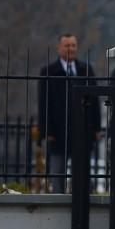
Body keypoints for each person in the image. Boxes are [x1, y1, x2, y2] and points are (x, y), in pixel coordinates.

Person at [37, 33, 102, 193]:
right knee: (57, 173)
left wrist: (96, 128)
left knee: (82, 174)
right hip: (57, 133)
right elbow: (43, 103)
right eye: (67, 45)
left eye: (73, 45)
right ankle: (57, 204)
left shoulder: (86, 69)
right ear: (59, 48)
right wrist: (47, 131)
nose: (70, 49)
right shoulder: (49, 71)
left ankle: (80, 203)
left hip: (82, 130)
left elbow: (95, 101)